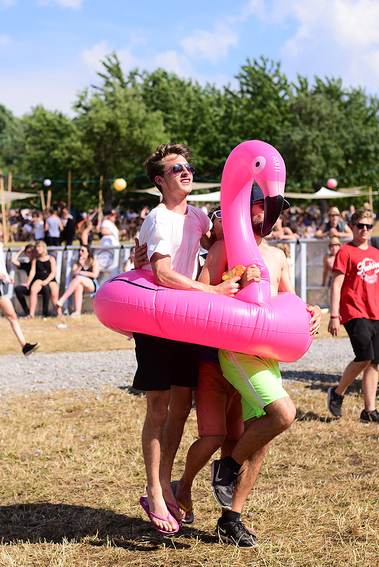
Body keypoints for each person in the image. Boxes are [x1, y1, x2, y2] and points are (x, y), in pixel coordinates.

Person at [133, 143, 241, 535]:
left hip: (186, 323)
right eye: (176, 168)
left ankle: (164, 483)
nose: (186, 171)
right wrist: (211, 293)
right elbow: (161, 274)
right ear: (160, 180)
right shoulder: (159, 218)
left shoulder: (196, 216)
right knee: (158, 409)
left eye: (189, 166)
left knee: (180, 409)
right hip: (156, 319)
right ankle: (155, 488)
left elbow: (216, 242)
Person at [203, 186, 320, 548]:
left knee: (261, 437)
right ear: (242, 207)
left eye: (272, 207)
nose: (266, 212)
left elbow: (288, 297)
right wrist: (234, 282)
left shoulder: (279, 255)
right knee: (284, 414)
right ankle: (226, 468)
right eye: (260, 204)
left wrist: (310, 311)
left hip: (268, 350)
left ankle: (230, 520)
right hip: (237, 349)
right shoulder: (225, 249)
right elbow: (200, 292)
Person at [326, 210, 379, 424]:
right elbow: (336, 285)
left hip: (375, 313)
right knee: (365, 356)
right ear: (352, 226)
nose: (364, 229)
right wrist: (334, 315)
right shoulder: (345, 252)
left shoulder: (377, 253)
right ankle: (337, 393)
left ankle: (369, 411)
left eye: (368, 225)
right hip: (353, 312)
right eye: (360, 225)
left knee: (374, 362)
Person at [0, 221, 39, 356]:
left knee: (12, 315)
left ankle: (24, 345)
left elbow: (0, 265)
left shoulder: (1, 246)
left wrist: (7, 276)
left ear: (1, 232)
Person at [13, 241, 59, 318]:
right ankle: (31, 314)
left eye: (39, 247)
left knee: (54, 294)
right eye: (36, 247)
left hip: (49, 280)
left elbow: (53, 272)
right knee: (33, 290)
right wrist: (28, 284)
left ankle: (58, 313)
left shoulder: (51, 259)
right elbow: (32, 272)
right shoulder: (35, 260)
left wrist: (46, 281)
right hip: (39, 280)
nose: (37, 249)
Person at [55, 245, 100, 318]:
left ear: (88, 252)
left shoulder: (94, 262)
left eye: (83, 251)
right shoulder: (77, 263)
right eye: (79, 250)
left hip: (91, 285)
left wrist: (81, 273)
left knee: (78, 278)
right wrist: (80, 266)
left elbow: (95, 275)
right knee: (78, 286)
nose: (80, 252)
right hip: (80, 285)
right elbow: (72, 274)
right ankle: (77, 312)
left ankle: (63, 298)